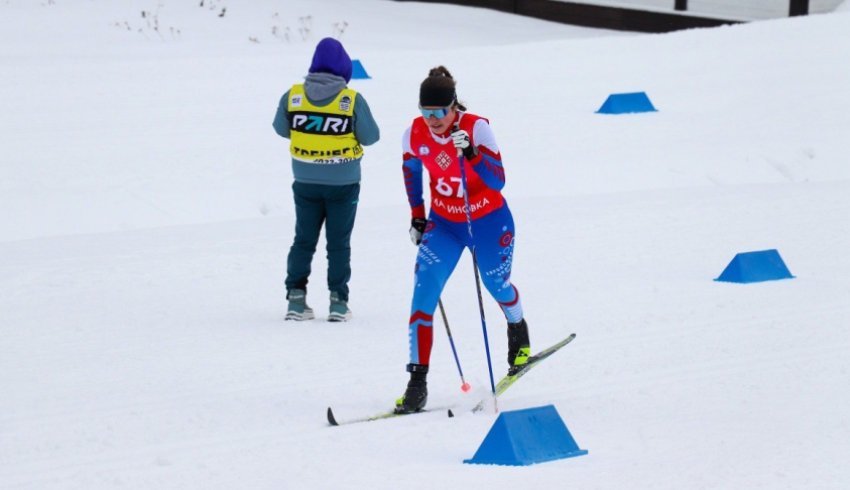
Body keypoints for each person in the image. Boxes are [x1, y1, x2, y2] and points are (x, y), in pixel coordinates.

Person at [395, 66, 530, 413]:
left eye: (440, 112)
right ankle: (417, 382)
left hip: (487, 219)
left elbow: (498, 180)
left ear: (454, 106)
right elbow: (410, 171)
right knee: (423, 293)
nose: (433, 120)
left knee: (496, 284)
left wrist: (472, 153)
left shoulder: (477, 128)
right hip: (445, 225)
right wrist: (416, 214)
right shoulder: (414, 133)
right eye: (426, 113)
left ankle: (517, 327)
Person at [273, 37, 380, 322]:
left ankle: (296, 299)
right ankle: (338, 302)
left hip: (305, 179)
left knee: (303, 239)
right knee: (338, 243)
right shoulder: (351, 100)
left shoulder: (292, 95)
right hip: (343, 183)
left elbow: (281, 129)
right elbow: (371, 137)